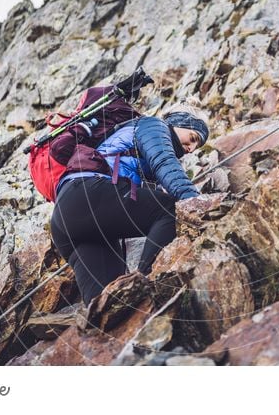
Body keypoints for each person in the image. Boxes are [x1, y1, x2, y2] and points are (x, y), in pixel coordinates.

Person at [49, 110, 209, 306]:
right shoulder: (153, 126)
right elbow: (164, 162)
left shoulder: (140, 155)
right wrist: (195, 203)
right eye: (192, 138)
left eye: (196, 146)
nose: (191, 148)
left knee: (110, 303)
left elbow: (141, 199)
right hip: (86, 194)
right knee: (168, 209)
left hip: (65, 219)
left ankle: (104, 332)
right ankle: (148, 284)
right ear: (176, 124)